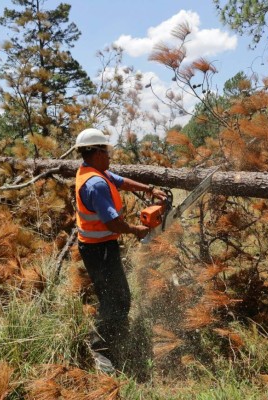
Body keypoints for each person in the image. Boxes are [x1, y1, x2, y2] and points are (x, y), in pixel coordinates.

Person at [74, 128, 166, 373]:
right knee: (116, 299)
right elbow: (112, 223)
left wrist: (149, 190)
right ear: (95, 152)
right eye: (107, 150)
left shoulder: (92, 172)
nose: (110, 155)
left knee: (116, 297)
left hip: (99, 246)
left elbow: (120, 181)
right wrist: (137, 229)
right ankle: (100, 350)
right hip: (99, 249)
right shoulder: (95, 184)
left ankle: (114, 336)